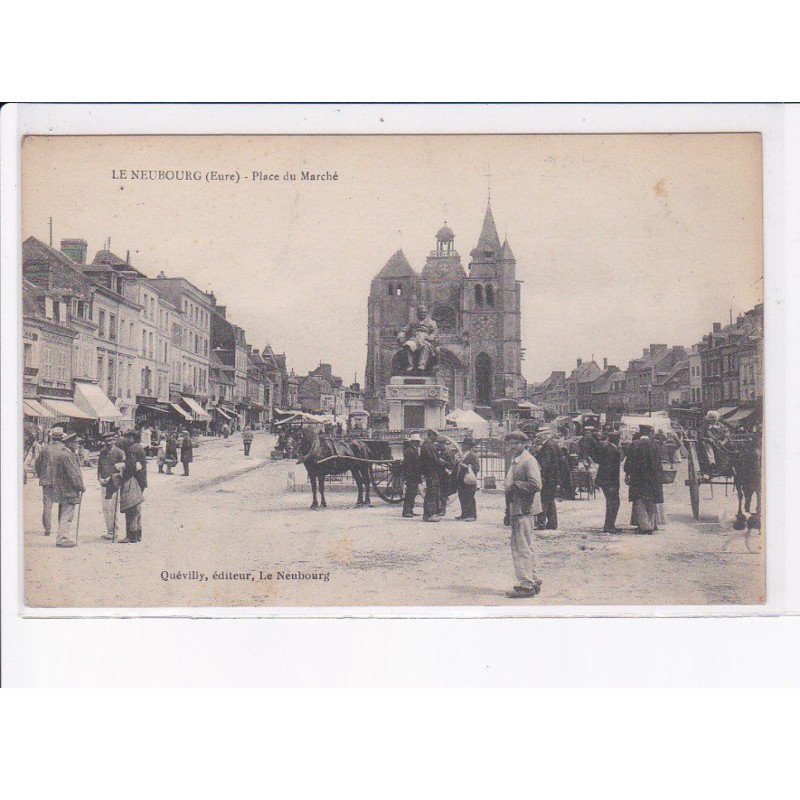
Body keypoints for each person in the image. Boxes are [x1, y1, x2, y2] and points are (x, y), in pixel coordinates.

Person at [504, 430, 543, 598]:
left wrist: (515, 486)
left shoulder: (528, 461)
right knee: (526, 545)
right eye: (511, 443)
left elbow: (536, 484)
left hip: (524, 509)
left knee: (521, 547)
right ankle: (532, 579)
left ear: (524, 444)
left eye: (516, 443)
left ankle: (526, 585)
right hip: (517, 508)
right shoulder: (517, 461)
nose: (513, 446)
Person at [624, 425, 664, 534]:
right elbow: (659, 464)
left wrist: (627, 474)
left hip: (638, 478)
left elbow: (629, 461)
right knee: (650, 500)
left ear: (640, 433)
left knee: (639, 500)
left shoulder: (635, 444)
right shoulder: (655, 445)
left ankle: (645, 526)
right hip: (652, 478)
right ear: (650, 433)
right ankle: (650, 523)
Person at [50, 431, 85, 548]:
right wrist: (81, 486)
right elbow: (74, 474)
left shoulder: (64, 454)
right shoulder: (67, 456)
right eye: (76, 443)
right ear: (69, 443)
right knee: (67, 515)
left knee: (64, 513)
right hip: (68, 490)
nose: (77, 445)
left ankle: (62, 537)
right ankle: (62, 538)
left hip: (63, 489)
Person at [117, 430, 147, 543]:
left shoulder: (132, 449)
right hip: (140, 481)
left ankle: (131, 535)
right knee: (137, 509)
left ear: (132, 438)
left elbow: (130, 467)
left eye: (127, 437)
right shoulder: (138, 447)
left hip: (133, 482)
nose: (124, 439)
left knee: (131, 508)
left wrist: (122, 472)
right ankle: (138, 534)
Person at [34, 426, 63, 536]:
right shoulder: (64, 449)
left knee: (47, 505)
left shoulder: (45, 448)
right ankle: (61, 527)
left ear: (52, 437)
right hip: (60, 482)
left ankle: (47, 529)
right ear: (61, 437)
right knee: (62, 503)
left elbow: (38, 464)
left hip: (46, 481)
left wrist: (41, 475)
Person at [592, 429, 623, 533]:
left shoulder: (607, 448)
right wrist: (611, 484)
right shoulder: (613, 451)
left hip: (606, 481)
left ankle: (609, 525)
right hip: (609, 482)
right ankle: (609, 526)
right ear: (617, 440)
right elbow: (609, 469)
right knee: (613, 503)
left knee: (612, 503)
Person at [97, 432, 126, 540]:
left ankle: (114, 531)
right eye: (106, 441)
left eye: (110, 440)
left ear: (114, 440)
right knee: (105, 508)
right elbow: (99, 467)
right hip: (103, 483)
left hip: (114, 484)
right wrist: (99, 478)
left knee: (112, 509)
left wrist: (111, 477)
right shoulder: (102, 453)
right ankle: (109, 530)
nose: (108, 443)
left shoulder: (119, 453)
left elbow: (122, 470)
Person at [397, 304, 439, 372]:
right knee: (407, 345)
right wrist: (401, 334)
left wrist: (431, 336)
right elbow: (405, 330)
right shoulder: (413, 322)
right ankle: (410, 365)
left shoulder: (431, 322)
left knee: (425, 347)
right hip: (414, 338)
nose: (423, 314)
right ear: (418, 313)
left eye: (424, 312)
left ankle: (422, 364)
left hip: (425, 339)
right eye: (421, 312)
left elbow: (435, 331)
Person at [534, 431, 563, 529]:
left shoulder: (547, 445)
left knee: (543, 500)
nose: (538, 439)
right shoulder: (552, 443)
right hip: (553, 478)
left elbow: (546, 463)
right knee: (550, 501)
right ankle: (552, 523)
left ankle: (541, 523)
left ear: (543, 436)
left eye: (539, 437)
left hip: (548, 478)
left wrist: (541, 475)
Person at [420, 429, 446, 522]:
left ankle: (429, 514)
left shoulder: (428, 445)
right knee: (431, 493)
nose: (436, 438)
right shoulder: (427, 445)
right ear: (431, 435)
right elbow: (433, 459)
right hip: (431, 472)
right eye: (435, 435)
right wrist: (441, 463)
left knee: (432, 492)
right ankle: (429, 515)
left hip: (431, 471)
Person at [455, 438, 480, 521]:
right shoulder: (463, 454)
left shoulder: (472, 455)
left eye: (464, 444)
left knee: (469, 497)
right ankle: (464, 514)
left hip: (469, 480)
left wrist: (465, 466)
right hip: (462, 479)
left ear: (468, 446)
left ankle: (472, 515)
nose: (463, 445)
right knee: (462, 496)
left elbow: (476, 468)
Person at [401, 433, 422, 518]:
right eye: (417, 442)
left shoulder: (414, 450)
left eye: (418, 442)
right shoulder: (410, 451)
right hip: (411, 475)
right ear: (413, 442)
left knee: (413, 493)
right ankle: (406, 511)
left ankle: (410, 510)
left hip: (414, 475)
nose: (418, 443)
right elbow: (408, 465)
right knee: (410, 493)